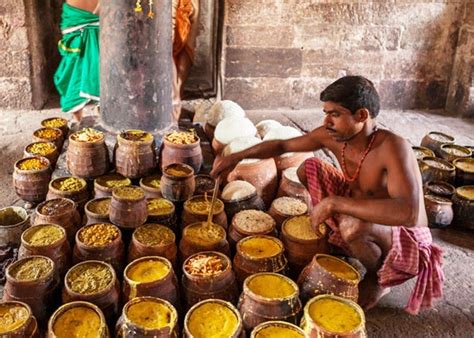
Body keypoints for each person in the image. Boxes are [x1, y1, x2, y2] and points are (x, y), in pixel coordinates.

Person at [211, 76, 444, 314]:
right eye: (326, 112)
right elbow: (283, 146)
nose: (326, 121)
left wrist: (335, 203)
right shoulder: (334, 136)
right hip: (363, 207)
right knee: (309, 167)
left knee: (353, 226)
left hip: (406, 235)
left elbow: (409, 213)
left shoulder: (393, 148)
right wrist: (235, 156)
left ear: (362, 116)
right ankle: (350, 241)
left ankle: (378, 279)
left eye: (335, 114)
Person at [54, 0, 199, 123]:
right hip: (84, 13)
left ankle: (103, 110)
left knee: (108, 60)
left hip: (109, 13)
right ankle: (84, 116)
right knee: (78, 63)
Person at [54, 0, 100, 123]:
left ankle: (78, 116)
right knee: (96, 62)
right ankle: (99, 105)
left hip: (81, 16)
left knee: (75, 67)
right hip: (91, 16)